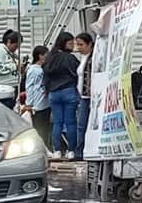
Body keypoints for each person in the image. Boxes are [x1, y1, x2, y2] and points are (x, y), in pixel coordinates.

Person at [43, 32, 80, 161]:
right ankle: (71, 150)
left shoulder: (50, 58)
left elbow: (45, 76)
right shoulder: (70, 58)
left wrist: (47, 89)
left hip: (54, 94)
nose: (72, 46)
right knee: (70, 122)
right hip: (69, 91)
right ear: (64, 43)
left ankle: (57, 150)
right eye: (70, 43)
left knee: (57, 123)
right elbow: (77, 73)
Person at [25, 45, 51, 148]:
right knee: (40, 127)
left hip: (44, 102)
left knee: (45, 126)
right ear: (40, 56)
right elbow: (29, 86)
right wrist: (29, 103)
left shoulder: (42, 69)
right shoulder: (34, 70)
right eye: (46, 55)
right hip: (38, 103)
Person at [75, 32, 94, 160]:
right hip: (82, 96)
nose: (78, 47)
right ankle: (80, 151)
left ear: (89, 44)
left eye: (81, 44)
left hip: (90, 96)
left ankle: (81, 152)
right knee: (81, 125)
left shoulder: (93, 58)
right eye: (77, 44)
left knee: (84, 124)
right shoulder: (83, 58)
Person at [0, 31, 20, 109]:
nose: (16, 49)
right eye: (16, 46)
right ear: (9, 42)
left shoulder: (10, 53)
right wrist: (15, 66)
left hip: (11, 90)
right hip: (3, 92)